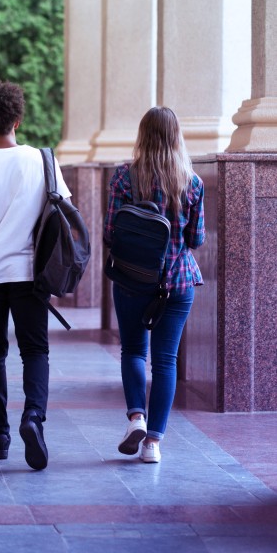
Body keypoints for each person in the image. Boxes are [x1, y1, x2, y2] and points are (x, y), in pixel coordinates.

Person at [0, 80, 71, 471]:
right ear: (17, 120)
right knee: (35, 351)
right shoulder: (43, 161)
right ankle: (33, 417)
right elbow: (61, 218)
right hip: (31, 275)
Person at [105, 106, 205, 464]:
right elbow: (197, 238)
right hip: (178, 282)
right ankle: (153, 445)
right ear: (177, 135)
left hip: (133, 279)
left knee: (133, 350)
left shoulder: (123, 177)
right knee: (166, 361)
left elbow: (110, 233)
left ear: (142, 135)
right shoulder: (192, 182)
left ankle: (136, 418)